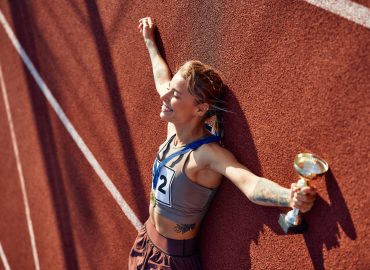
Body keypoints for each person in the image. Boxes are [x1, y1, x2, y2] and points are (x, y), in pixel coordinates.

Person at [129, 17, 317, 270]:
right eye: (170, 90)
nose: (164, 95)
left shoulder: (206, 155)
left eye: (175, 94)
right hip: (145, 241)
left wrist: (289, 197)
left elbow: (250, 184)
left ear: (200, 109)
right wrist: (149, 42)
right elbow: (162, 80)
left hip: (171, 262)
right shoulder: (174, 128)